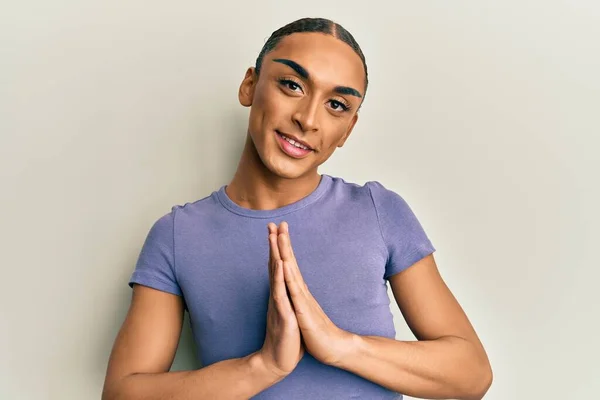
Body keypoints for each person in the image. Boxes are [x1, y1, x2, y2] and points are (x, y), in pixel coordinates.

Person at [102, 17, 492, 400]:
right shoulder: (178, 234)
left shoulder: (377, 211)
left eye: (336, 105)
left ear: (348, 130)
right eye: (292, 85)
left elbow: (471, 373)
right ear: (250, 85)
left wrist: (340, 345)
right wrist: (264, 365)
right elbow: (122, 392)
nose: (307, 119)